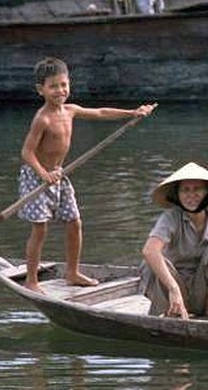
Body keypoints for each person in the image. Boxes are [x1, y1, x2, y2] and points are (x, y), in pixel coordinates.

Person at [19, 57, 156, 291]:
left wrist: (132, 112)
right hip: (36, 178)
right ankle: (31, 280)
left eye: (64, 85)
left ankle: (72, 272)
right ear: (40, 90)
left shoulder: (70, 110)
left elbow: (101, 112)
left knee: (75, 223)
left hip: (59, 175)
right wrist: (43, 174)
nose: (60, 91)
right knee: (40, 228)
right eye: (53, 86)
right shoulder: (42, 119)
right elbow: (27, 153)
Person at [140, 162, 208, 320]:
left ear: (207, 193)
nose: (191, 195)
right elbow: (150, 251)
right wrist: (174, 290)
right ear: (178, 195)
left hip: (205, 293)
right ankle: (173, 313)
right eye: (185, 190)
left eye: (197, 189)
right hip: (175, 292)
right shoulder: (171, 217)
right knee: (149, 263)